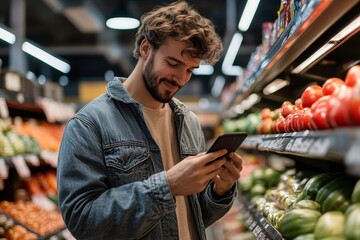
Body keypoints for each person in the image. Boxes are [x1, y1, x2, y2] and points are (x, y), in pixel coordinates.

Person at [57, 1, 243, 239]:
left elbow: (193, 215)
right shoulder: (89, 124)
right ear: (146, 48)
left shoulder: (189, 122)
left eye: (190, 70)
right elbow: (82, 220)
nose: (181, 79)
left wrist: (220, 190)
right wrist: (168, 186)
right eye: (173, 63)